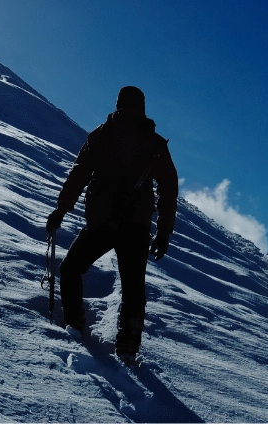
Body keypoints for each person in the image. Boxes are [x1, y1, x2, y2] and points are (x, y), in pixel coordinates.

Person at [46, 86, 178, 361]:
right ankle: (127, 348)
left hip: (102, 222)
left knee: (71, 269)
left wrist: (61, 210)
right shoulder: (153, 144)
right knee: (133, 289)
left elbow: (79, 175)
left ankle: (75, 325)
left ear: (118, 104)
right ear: (142, 107)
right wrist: (164, 232)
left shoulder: (101, 136)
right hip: (136, 227)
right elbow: (168, 189)